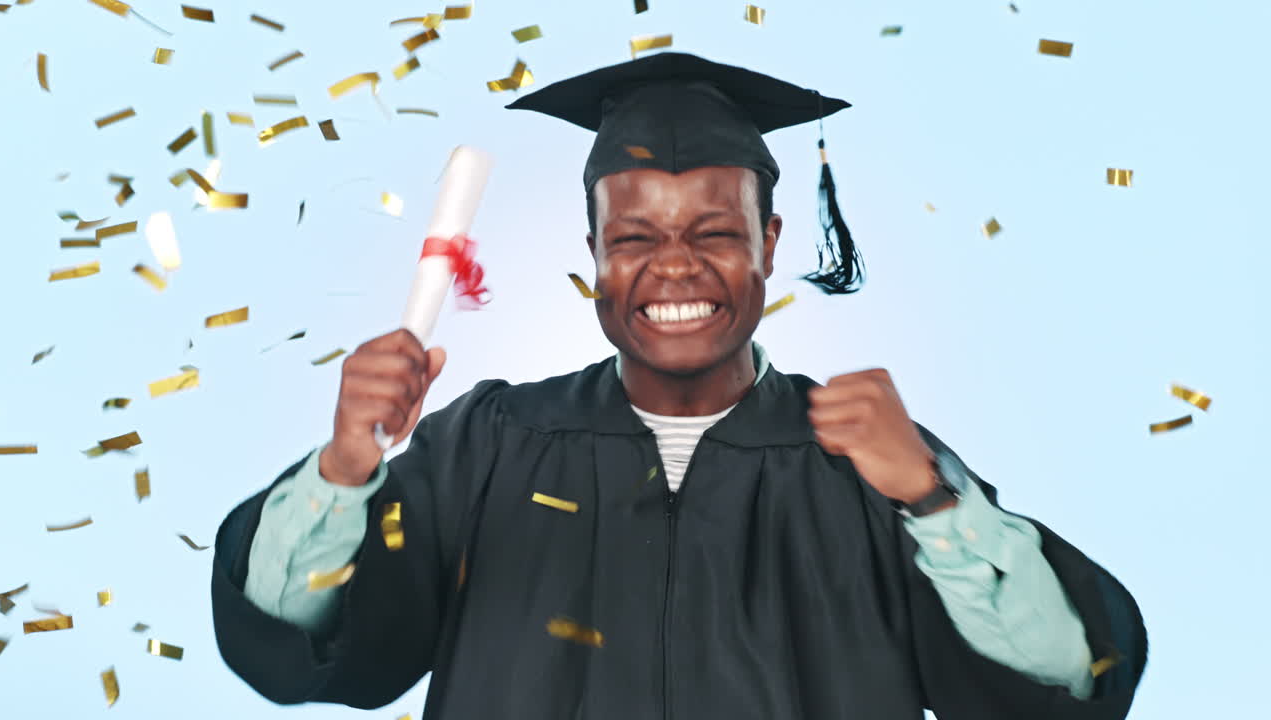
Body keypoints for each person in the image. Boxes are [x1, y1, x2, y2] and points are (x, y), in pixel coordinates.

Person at [211, 53, 1146, 719]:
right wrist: (343, 470)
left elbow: (1062, 678)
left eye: (715, 233)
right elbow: (303, 636)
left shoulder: (867, 459)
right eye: (634, 239)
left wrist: (933, 502)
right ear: (594, 255)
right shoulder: (493, 442)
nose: (674, 267)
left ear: (769, 244)